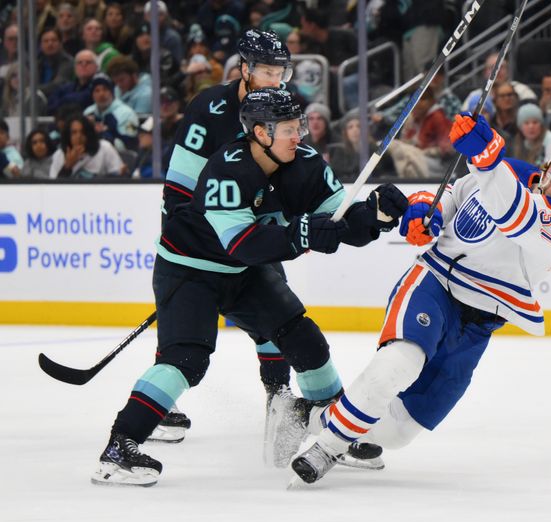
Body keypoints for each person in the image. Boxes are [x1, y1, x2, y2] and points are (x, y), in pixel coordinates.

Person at [90, 88, 408, 487]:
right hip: (190, 270)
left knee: (305, 341)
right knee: (186, 360)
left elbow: (340, 222)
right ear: (260, 132)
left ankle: (334, 435)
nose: (299, 137)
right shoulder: (227, 168)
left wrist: (374, 216)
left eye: (300, 127)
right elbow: (244, 242)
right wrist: (303, 234)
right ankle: (119, 447)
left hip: (241, 273)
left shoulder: (306, 165)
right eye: (289, 129)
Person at [290, 116, 551, 484]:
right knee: (400, 362)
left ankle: (305, 418)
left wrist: (486, 159)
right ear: (550, 168)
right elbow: (455, 195)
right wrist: (428, 212)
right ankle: (326, 448)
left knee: (398, 432)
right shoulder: (513, 170)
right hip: (435, 282)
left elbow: (515, 217)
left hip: (479, 323)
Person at [49, 114, 125, 178]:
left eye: (82, 132)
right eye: (74, 133)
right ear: (68, 135)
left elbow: (119, 177)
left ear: (89, 134)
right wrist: (67, 167)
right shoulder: (60, 154)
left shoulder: (105, 148)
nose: (78, 136)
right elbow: (52, 189)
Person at [83, 72, 139, 151]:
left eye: (105, 89)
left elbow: (130, 143)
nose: (101, 94)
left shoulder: (128, 114)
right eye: (97, 91)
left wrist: (107, 133)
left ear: (112, 92)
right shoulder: (88, 112)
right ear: (92, 95)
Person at [508, 102, 551, 168]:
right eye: (526, 123)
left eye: (535, 122)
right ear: (520, 127)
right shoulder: (521, 143)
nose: (531, 126)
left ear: (541, 125)